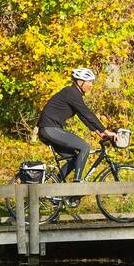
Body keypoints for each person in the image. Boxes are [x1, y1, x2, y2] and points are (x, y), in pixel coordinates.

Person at [37, 69, 119, 205]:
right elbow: (87, 113)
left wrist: (99, 132)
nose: (92, 85)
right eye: (90, 82)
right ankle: (77, 184)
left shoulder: (74, 95)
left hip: (49, 129)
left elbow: (84, 117)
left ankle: (53, 190)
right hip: (50, 129)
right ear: (80, 82)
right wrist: (106, 130)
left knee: (74, 158)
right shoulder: (71, 92)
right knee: (84, 147)